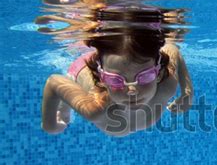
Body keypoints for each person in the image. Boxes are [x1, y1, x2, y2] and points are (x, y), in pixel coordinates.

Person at [41, 31, 193, 137]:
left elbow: (171, 49)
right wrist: (49, 124)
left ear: (158, 74)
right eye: (115, 80)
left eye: (145, 76)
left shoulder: (166, 86)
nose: (132, 90)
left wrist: (187, 92)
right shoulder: (96, 109)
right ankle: (66, 110)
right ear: (102, 79)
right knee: (65, 111)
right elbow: (54, 82)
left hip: (112, 62)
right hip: (83, 67)